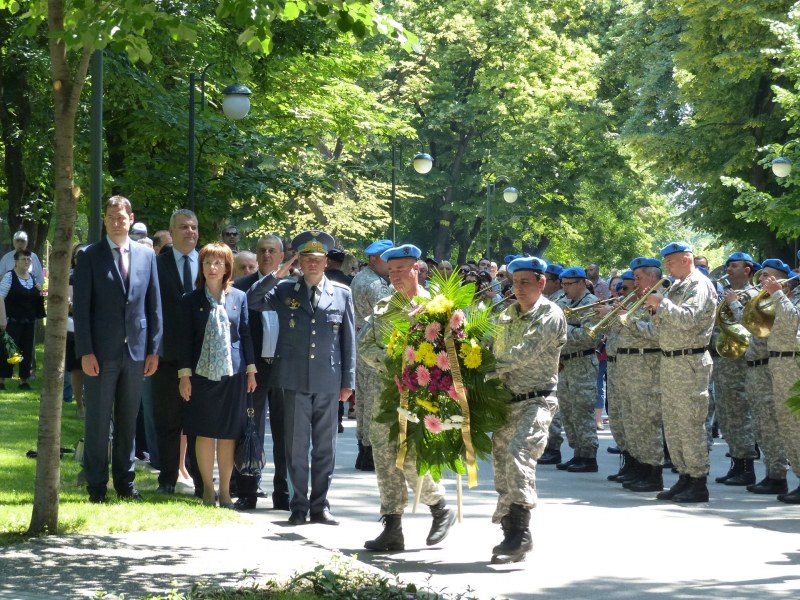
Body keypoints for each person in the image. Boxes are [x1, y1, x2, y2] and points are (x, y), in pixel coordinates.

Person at [247, 230, 356, 526]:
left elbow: (348, 341)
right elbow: (253, 299)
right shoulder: (284, 290)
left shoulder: (341, 294)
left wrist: (349, 382)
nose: (312, 264)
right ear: (299, 260)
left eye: (317, 259)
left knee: (325, 447)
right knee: (295, 447)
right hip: (293, 379)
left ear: (325, 262)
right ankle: (299, 505)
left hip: (328, 379)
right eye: (306, 258)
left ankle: (320, 505)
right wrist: (280, 272)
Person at [361, 243, 455, 551]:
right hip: (384, 395)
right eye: (391, 271)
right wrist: (392, 362)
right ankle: (392, 527)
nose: (395, 276)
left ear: (417, 269)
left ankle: (439, 507)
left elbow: (453, 350)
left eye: (401, 270)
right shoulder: (383, 306)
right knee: (385, 460)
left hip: (423, 397)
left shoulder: (438, 307)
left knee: (413, 460)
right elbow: (365, 346)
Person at [73, 195, 163, 503]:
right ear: (104, 220)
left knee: (128, 420)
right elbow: (81, 309)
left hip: (137, 352)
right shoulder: (89, 256)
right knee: (98, 420)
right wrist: (85, 351)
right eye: (110, 217)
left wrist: (154, 350)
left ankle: (125, 482)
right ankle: (97, 485)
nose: (116, 222)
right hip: (100, 353)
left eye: (121, 217)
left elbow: (154, 306)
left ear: (130, 218)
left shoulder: (146, 255)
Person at [491, 256, 566, 564]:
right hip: (505, 401)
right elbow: (487, 344)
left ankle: (521, 532)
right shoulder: (506, 315)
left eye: (525, 282)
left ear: (541, 283)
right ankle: (509, 531)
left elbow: (522, 354)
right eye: (514, 282)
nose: (518, 289)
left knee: (518, 455)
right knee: (501, 465)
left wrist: (481, 369)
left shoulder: (550, 314)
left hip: (537, 400)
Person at [178, 243, 257, 508]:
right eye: (207, 263)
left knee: (227, 434)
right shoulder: (190, 300)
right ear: (201, 267)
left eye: (218, 263)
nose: (212, 268)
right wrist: (184, 376)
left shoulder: (239, 297)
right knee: (203, 432)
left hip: (232, 375)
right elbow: (185, 340)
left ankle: (225, 491)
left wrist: (251, 370)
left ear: (226, 268)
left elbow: (245, 335)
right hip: (200, 375)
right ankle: (208, 490)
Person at [640, 241, 716, 503]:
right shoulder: (678, 286)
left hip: (690, 360)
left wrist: (661, 304)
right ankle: (684, 476)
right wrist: (654, 309)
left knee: (690, 423)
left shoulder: (699, 284)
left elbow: (689, 318)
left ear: (686, 259)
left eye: (670, 261)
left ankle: (698, 481)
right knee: (673, 423)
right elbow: (663, 326)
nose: (666, 266)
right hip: (671, 360)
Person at [232, 234, 290, 511]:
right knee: (249, 431)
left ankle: (284, 491)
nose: (267, 255)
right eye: (262, 251)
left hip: (284, 369)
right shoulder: (242, 288)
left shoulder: (292, 287)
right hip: (253, 369)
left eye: (272, 251)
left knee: (287, 433)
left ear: (281, 255)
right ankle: (247, 490)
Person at [152, 209, 203, 496]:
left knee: (197, 422)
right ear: (172, 231)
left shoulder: (209, 263)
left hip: (200, 359)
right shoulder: (156, 264)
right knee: (169, 421)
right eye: (184, 227)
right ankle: (168, 479)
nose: (190, 232)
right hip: (167, 356)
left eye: (194, 227)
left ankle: (200, 480)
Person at [713, 252, 759, 487]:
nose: (729, 269)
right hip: (724, 363)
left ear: (747, 270)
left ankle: (747, 467)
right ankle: (736, 463)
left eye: (735, 266)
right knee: (726, 416)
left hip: (742, 364)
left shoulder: (753, 295)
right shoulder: (726, 294)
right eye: (728, 265)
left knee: (741, 415)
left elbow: (751, 328)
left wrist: (733, 303)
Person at [744, 259, 789, 495]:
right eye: (762, 276)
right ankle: (772, 473)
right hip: (754, 368)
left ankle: (778, 474)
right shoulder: (762, 300)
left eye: (769, 276)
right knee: (761, 425)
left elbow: (764, 332)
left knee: (772, 425)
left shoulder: (779, 301)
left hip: (766, 367)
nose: (762, 280)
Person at [350, 239, 392, 471]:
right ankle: (369, 451)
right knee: (373, 400)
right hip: (373, 344)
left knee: (365, 399)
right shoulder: (376, 284)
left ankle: (363, 449)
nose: (390, 264)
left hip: (362, 341)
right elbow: (385, 316)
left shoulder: (360, 278)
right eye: (387, 258)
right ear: (374, 259)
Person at [762, 254, 800, 504]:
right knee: (788, 426)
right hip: (779, 361)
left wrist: (777, 294)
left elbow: (793, 320)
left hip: (793, 362)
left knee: (796, 424)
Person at [555, 267, 600, 472]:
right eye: (563, 284)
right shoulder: (562, 303)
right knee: (567, 411)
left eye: (569, 284)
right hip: (564, 363)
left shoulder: (591, 303)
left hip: (582, 362)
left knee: (583, 409)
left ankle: (589, 455)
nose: (565, 288)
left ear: (581, 283)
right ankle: (577, 451)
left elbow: (589, 337)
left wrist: (565, 329)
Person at [0, 249, 45, 390]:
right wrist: (2, 319)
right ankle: (2, 380)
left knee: (26, 350)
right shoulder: (9, 276)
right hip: (12, 320)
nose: (26, 262)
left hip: (28, 322)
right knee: (8, 349)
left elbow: (34, 299)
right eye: (23, 259)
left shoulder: (32, 278)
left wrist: (39, 292)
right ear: (16, 262)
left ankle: (23, 380)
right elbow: (0, 297)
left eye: (28, 259)